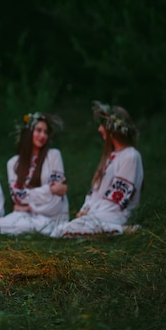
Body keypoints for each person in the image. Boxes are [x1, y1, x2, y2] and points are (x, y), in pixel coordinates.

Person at [52, 101, 144, 237]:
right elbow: (94, 192)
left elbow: (118, 199)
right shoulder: (109, 157)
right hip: (100, 213)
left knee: (63, 231)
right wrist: (85, 209)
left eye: (102, 125)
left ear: (112, 128)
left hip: (116, 214)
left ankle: (120, 229)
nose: (99, 129)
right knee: (58, 230)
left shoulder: (130, 156)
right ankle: (109, 229)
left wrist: (91, 215)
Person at [0, 112, 69, 236]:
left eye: (45, 132)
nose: (42, 135)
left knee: (43, 217)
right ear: (28, 133)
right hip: (28, 214)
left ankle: (42, 227)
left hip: (51, 212)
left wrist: (27, 206)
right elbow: (17, 196)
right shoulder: (13, 163)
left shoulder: (54, 155)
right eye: (38, 130)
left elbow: (58, 192)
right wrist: (49, 190)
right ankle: (38, 228)